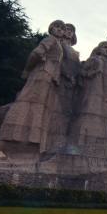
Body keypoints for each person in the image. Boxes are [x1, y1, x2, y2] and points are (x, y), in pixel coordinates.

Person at [0, 20, 65, 157]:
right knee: (24, 106)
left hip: (48, 79)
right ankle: (0, 147)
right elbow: (36, 53)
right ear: (51, 28)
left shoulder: (58, 44)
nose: (60, 29)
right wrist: (27, 69)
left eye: (62, 28)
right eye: (57, 27)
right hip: (41, 75)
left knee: (37, 111)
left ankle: (27, 149)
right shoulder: (50, 39)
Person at [66, 41, 107, 158]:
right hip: (91, 92)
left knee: (102, 119)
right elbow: (82, 72)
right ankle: (80, 143)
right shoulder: (94, 59)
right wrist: (90, 74)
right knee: (87, 116)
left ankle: (97, 147)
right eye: (105, 47)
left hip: (105, 96)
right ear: (99, 49)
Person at [44, 22, 81, 154]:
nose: (69, 31)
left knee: (66, 113)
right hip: (58, 80)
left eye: (72, 30)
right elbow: (58, 61)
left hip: (72, 85)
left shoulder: (75, 52)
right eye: (67, 29)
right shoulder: (57, 44)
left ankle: (59, 144)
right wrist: (67, 74)